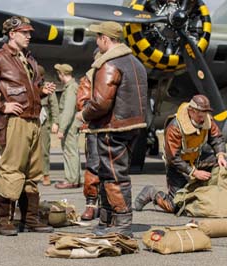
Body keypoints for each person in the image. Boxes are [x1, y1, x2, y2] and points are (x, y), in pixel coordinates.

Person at [0, 16, 55, 236]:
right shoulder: (0, 58)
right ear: (12, 34)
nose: (29, 36)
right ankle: (4, 221)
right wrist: (2, 106)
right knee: (11, 170)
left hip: (34, 120)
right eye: (25, 32)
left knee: (32, 171)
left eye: (30, 33)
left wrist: (41, 91)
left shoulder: (28, 58)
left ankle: (30, 219)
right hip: (15, 122)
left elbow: (30, 87)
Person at [75, 21, 148, 237]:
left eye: (98, 37)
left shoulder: (109, 64)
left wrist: (83, 114)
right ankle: (107, 220)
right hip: (132, 125)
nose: (96, 41)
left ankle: (122, 223)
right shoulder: (136, 63)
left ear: (105, 39)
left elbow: (100, 103)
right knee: (111, 173)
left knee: (114, 176)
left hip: (112, 128)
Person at [134, 95, 227, 215]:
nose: (203, 118)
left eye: (205, 114)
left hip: (197, 158)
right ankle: (151, 193)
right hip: (178, 165)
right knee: (176, 206)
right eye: (200, 115)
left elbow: (217, 138)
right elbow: (173, 158)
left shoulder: (207, 120)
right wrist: (194, 172)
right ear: (191, 111)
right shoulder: (175, 127)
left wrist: (220, 154)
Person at [76, 59, 101, 220]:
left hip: (117, 128)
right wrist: (100, 108)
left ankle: (110, 206)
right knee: (93, 166)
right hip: (96, 129)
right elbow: (83, 103)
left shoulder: (120, 73)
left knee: (115, 169)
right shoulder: (89, 77)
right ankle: (91, 205)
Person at [53, 63, 82, 189]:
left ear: (62, 74)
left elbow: (68, 110)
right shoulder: (71, 87)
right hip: (71, 124)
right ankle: (74, 178)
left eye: (59, 73)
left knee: (70, 152)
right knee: (72, 151)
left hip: (70, 125)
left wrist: (62, 128)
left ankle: (71, 179)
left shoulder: (71, 88)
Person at [38, 65, 59, 186]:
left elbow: (54, 105)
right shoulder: (29, 84)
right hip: (29, 119)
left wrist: (55, 122)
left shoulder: (48, 86)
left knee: (44, 149)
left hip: (43, 121)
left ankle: (45, 174)